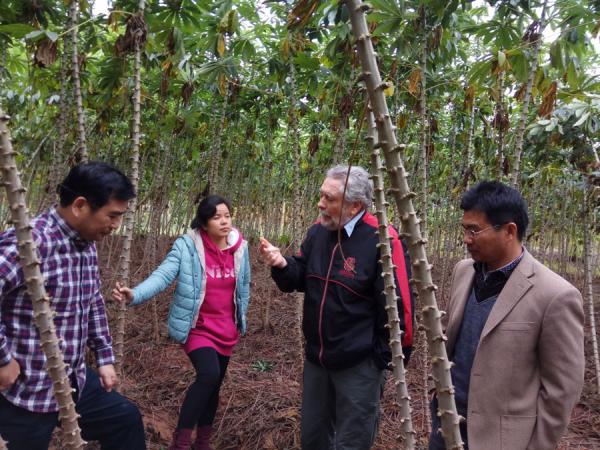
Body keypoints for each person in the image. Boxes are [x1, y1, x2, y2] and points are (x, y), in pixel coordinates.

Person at [259, 165, 414, 450]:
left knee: (351, 443)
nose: (320, 203)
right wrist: (282, 264)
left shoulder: (383, 240)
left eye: (329, 198)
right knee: (314, 438)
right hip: (318, 360)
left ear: (355, 206)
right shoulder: (319, 231)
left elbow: (400, 308)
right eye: (321, 195)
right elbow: (302, 275)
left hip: (359, 365)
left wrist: (378, 361)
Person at [0, 161, 146, 450]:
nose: (116, 226)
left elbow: (91, 300)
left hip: (74, 380)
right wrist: (2, 359)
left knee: (124, 419)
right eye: (112, 216)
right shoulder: (29, 243)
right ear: (80, 206)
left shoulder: (87, 242)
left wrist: (103, 357)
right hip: (26, 391)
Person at [429, 181, 585, 449]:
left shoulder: (555, 295)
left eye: (474, 230)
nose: (466, 239)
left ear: (509, 231)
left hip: (499, 440)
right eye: (464, 229)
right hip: (447, 425)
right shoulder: (464, 271)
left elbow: (561, 391)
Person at [112, 194, 251, 450]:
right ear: (204, 222)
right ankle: (181, 440)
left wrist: (242, 319)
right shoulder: (187, 247)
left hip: (227, 328)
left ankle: (204, 441)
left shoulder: (240, 248)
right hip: (197, 327)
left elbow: (243, 287)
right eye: (216, 217)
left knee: (215, 383)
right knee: (208, 374)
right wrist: (135, 294)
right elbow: (163, 275)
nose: (224, 221)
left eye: (227, 216)